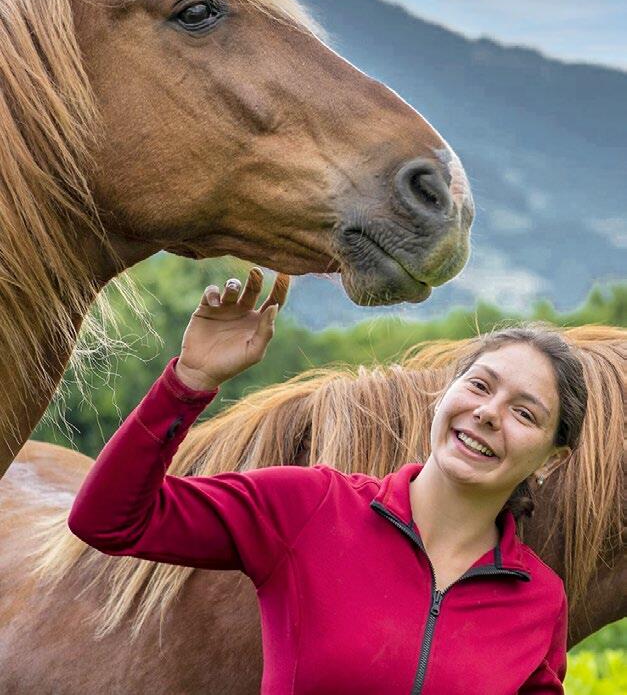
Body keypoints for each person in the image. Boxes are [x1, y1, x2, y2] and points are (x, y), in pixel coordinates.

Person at [68, 266, 588, 694]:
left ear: (551, 459)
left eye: (525, 413)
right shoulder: (311, 506)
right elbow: (108, 520)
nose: (489, 413)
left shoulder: (541, 602)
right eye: (479, 385)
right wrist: (189, 381)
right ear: (445, 395)